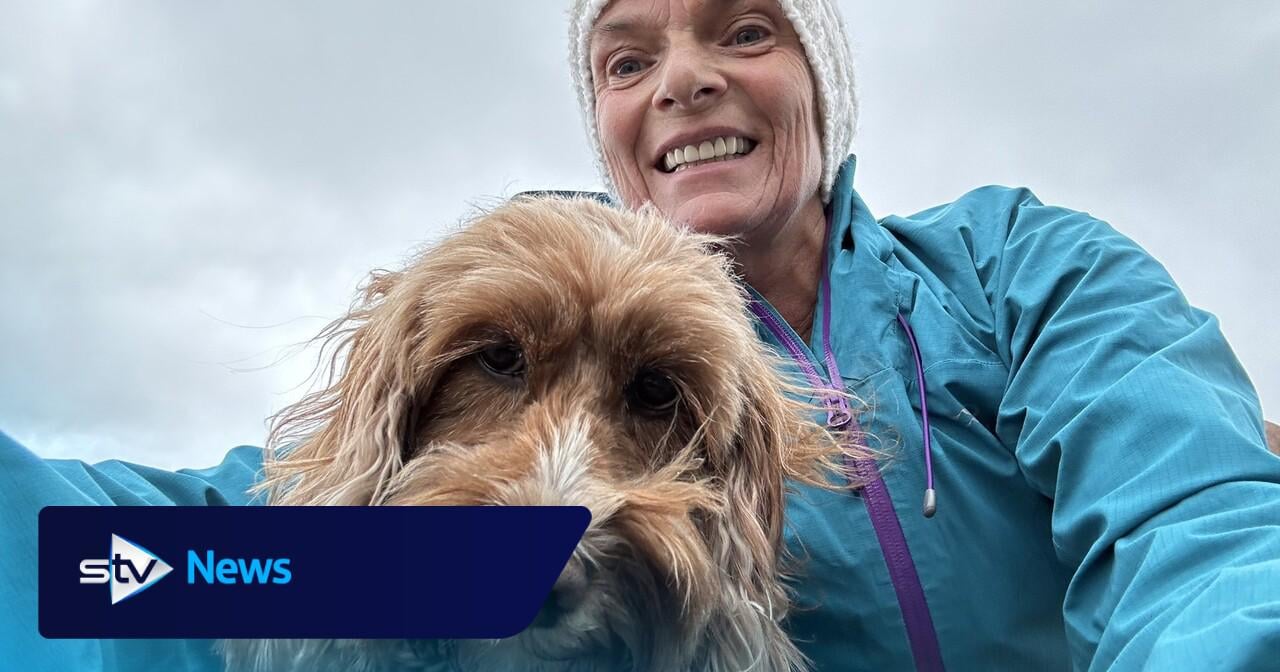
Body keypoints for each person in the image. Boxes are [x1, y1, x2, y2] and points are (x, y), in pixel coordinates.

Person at [2, 0, 1277, 670]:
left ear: (817, 84)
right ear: (606, 122)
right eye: (624, 59)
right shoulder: (500, 271)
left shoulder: (1012, 268)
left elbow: (1189, 518)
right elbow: (230, 550)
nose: (680, 78)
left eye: (742, 30)